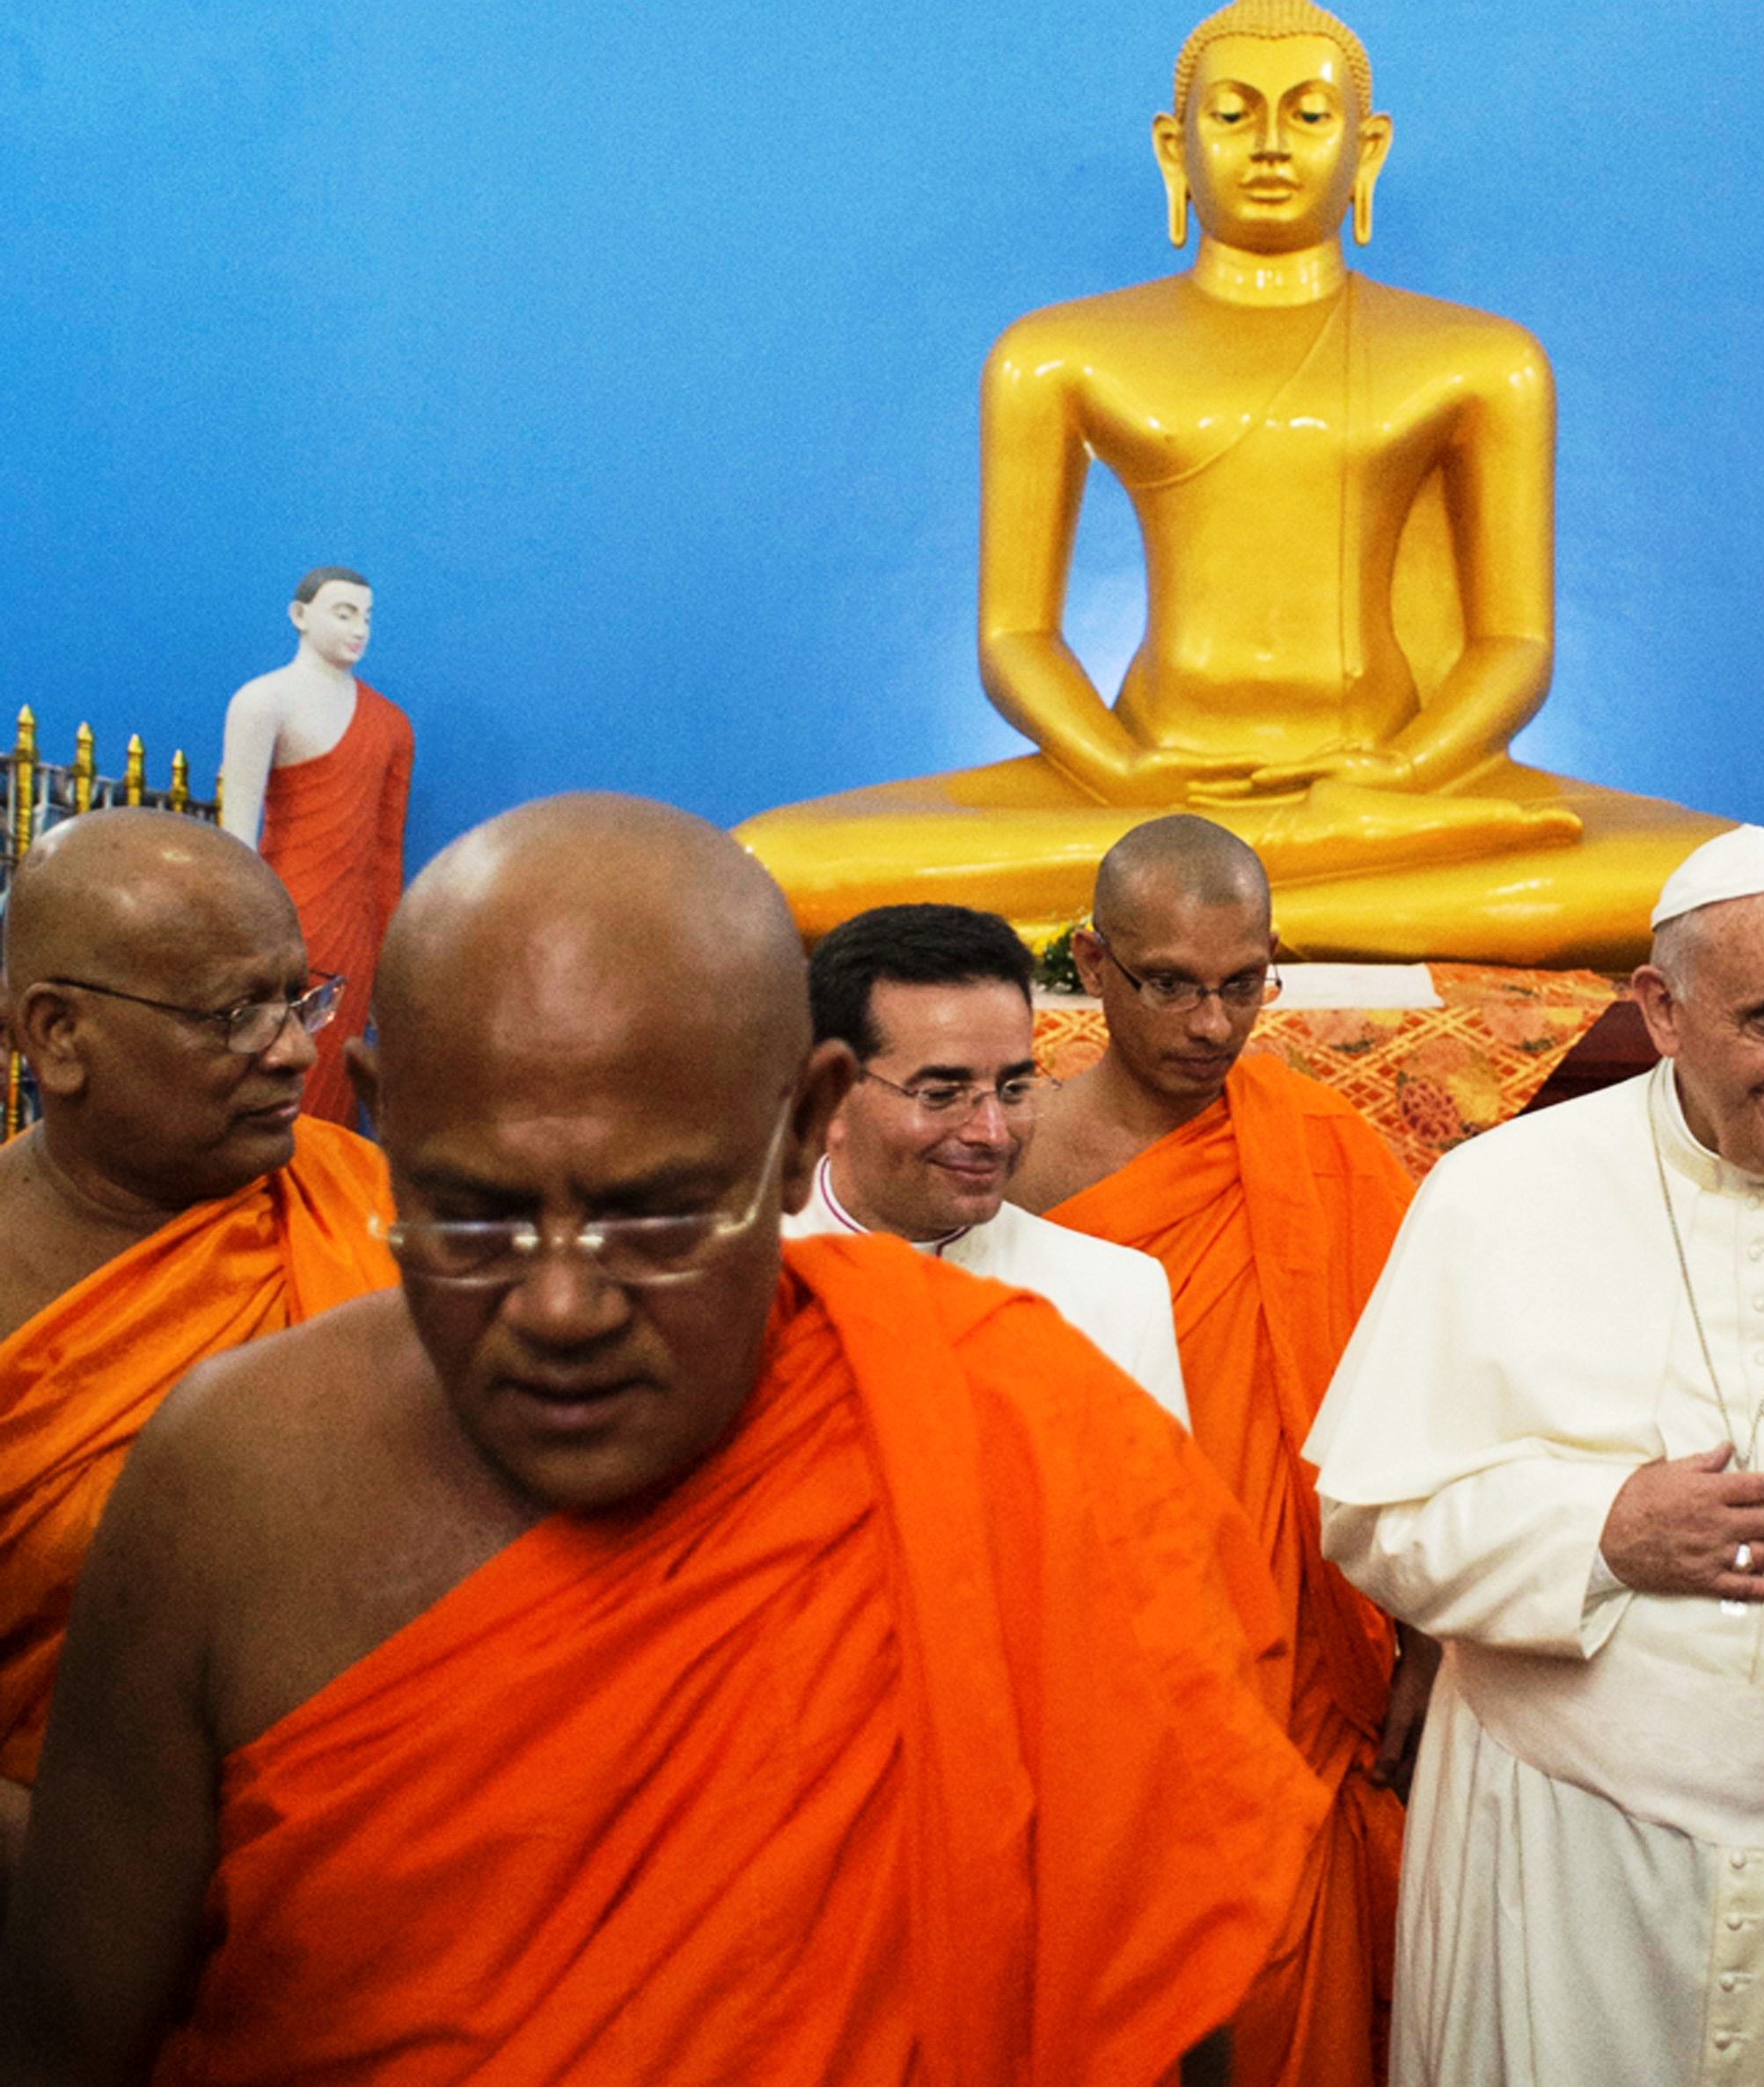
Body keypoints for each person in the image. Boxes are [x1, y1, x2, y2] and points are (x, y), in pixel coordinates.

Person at [0, 795, 1328, 2085]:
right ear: (381, 1109)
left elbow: (1162, 2008)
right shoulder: (236, 1480)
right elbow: (67, 2042)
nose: (562, 1305)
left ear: (806, 1120)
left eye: (656, 1216)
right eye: (474, 1212)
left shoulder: (1016, 1436)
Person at [736, 0, 1726, 965]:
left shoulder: (1478, 361)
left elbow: (1511, 644)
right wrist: (1126, 770)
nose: (1267, 145)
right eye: (1230, 113)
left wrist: (1400, 772)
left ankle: (1195, 912)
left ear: (1366, 148)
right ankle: (1295, 889)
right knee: (769, 867)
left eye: (1306, 114)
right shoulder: (1054, 354)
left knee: (1728, 877)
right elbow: (1013, 638)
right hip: (1134, 784)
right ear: (1173, 149)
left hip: (1394, 785)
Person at [1310, 824, 1764, 2087]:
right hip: (1569, 1851)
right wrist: (1597, 1533)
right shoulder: (1497, 1196)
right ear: (1659, 1009)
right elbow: (1374, 1522)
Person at [1011, 813, 1424, 2087]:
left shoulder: (1324, 1154)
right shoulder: (1010, 1162)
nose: (1209, 1026)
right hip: (1088, 1680)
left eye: (1243, 983)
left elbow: (1418, 1418)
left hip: (1300, 1685)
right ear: (1088, 964)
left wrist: (1427, 1650)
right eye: (1170, 985)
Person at [0, 809, 395, 1893]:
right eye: (233, 1013)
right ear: (59, 1032)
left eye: (297, 995)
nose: (294, 1047)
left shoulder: (365, 1201)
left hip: (396, 1872)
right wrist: (115, 1891)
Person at [787, 902, 1189, 1424]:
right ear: (832, 1093)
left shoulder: (1117, 1296)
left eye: (1014, 1088)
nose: (992, 1133)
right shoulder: (741, 1285)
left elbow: (1156, 1504)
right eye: (941, 1094)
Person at [219, 564, 414, 1124]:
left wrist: (383, 967)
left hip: (352, 937)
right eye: (344, 612)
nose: (359, 629)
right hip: (279, 916)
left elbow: (385, 860)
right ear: (300, 616)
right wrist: (239, 936)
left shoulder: (391, 725)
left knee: (333, 1085)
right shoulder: (263, 701)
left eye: (368, 617)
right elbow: (236, 838)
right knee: (270, 1070)